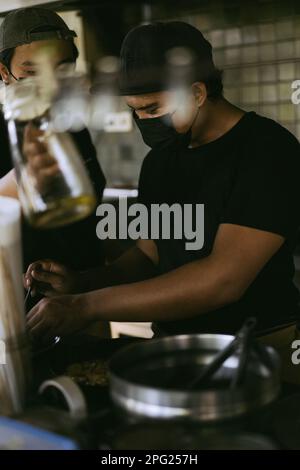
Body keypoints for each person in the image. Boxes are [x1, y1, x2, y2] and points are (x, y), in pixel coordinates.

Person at [25, 21, 300, 344]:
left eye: (153, 108)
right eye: (134, 111)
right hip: (172, 342)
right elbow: (150, 254)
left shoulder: (266, 150)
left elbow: (224, 279)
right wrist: (83, 283)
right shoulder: (161, 158)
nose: (143, 121)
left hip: (259, 344)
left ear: (197, 93)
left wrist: (86, 306)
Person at [0, 7, 106, 275]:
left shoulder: (71, 127)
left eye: (61, 70)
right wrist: (18, 184)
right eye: (32, 72)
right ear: (4, 72)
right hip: (25, 300)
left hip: (85, 292)